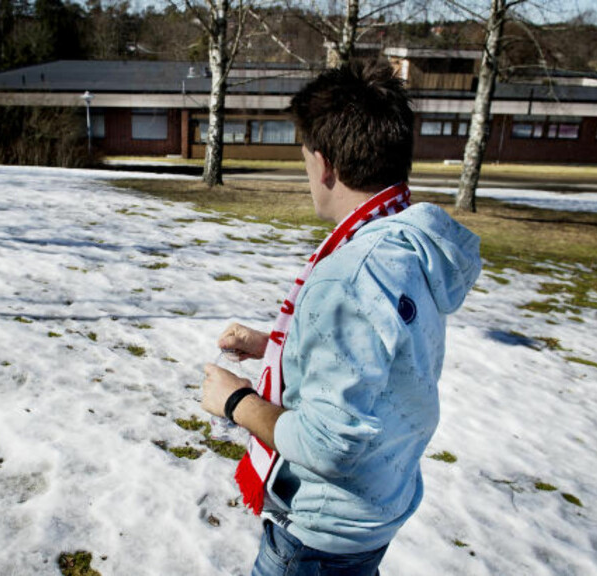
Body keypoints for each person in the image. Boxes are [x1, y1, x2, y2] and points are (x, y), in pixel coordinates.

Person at [199, 59, 482, 575]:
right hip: (375, 509)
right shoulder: (404, 244)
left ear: (325, 164)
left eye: (306, 160)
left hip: (320, 535)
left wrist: (235, 400)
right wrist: (273, 345)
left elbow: (328, 443)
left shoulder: (352, 274)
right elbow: (383, 359)